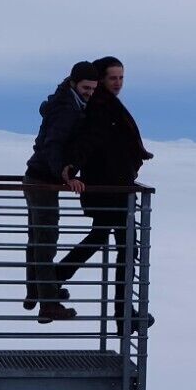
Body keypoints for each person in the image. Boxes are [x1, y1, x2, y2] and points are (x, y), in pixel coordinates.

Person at [54, 55, 152, 330]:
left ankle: (54, 279)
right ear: (102, 79)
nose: (118, 83)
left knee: (107, 239)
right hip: (109, 188)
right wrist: (72, 166)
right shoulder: (101, 107)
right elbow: (89, 140)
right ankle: (122, 314)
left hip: (113, 186)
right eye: (113, 78)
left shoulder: (104, 104)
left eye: (121, 78)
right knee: (126, 246)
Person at [23, 60, 99, 318]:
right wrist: (64, 174)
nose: (89, 92)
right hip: (43, 180)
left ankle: (36, 289)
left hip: (36, 178)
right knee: (46, 242)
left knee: (37, 240)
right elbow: (53, 145)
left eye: (93, 88)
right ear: (74, 83)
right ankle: (48, 303)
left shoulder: (66, 101)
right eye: (86, 87)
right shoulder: (67, 108)